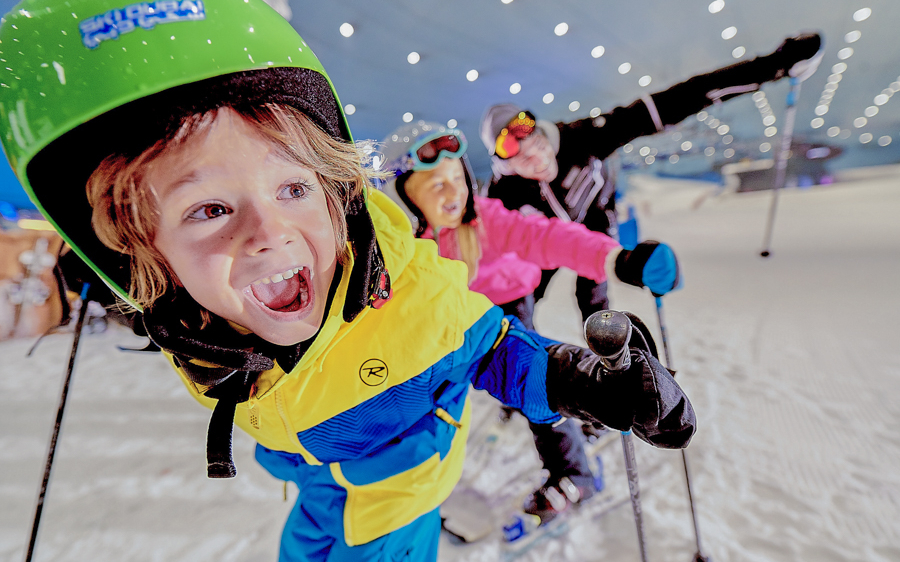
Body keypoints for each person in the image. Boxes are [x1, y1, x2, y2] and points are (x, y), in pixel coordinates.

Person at [0, 2, 695, 561]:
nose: (268, 232)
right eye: (209, 209)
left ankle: (569, 464)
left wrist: (585, 369)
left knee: (514, 387)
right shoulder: (208, 313)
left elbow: (492, 322)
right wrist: (117, 287)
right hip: (316, 486)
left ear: (339, 196)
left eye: (294, 188)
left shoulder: (428, 270)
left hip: (397, 493)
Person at [379, 121, 682, 523]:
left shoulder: (485, 220)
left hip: (506, 305)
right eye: (437, 185)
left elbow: (548, 236)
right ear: (404, 200)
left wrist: (618, 259)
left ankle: (575, 474)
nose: (455, 192)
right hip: (450, 316)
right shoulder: (404, 248)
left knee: (533, 386)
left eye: (458, 179)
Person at [480, 32, 823, 323]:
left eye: (539, 143)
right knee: (520, 296)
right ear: (507, 167)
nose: (540, 159)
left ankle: (608, 361)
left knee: (594, 294)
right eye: (524, 158)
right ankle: (514, 376)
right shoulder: (503, 194)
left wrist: (774, 66)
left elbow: (676, 100)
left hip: (593, 219)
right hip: (543, 241)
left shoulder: (582, 138)